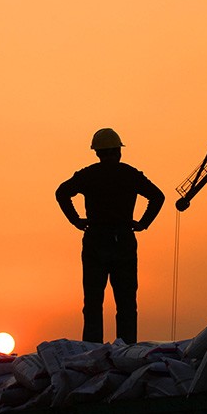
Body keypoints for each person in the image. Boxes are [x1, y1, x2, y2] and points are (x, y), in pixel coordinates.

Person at [55, 128, 165, 344]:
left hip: (95, 238)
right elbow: (157, 197)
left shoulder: (89, 175)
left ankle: (92, 351)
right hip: (123, 239)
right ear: (118, 151)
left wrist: (76, 220)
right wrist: (143, 223)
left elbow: (62, 192)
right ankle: (126, 352)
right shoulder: (129, 174)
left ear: (97, 152)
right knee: (126, 303)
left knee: (93, 303)